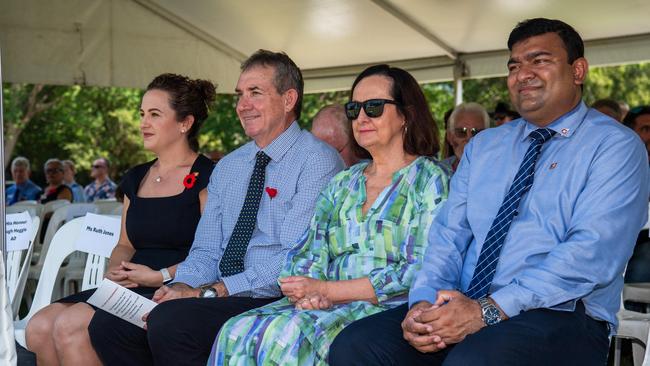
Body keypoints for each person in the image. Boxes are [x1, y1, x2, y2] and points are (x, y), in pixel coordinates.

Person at [330, 18, 649, 366]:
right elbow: (449, 235)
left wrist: (488, 311)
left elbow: (591, 254)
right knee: (356, 344)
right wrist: (421, 303)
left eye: (539, 61)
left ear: (578, 71)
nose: (522, 74)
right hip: (463, 303)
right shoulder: (485, 146)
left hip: (563, 313)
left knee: (472, 360)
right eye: (514, 65)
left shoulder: (615, 146)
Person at [87, 50, 344, 366]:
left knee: (172, 323)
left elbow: (294, 258)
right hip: (220, 293)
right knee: (110, 325)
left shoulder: (317, 161)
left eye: (255, 93)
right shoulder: (230, 167)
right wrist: (182, 285)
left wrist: (211, 291)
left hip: (274, 297)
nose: (242, 105)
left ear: (289, 99)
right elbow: (206, 250)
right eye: (240, 94)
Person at [210, 64, 450, 365]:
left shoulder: (430, 180)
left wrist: (329, 291)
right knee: (235, 330)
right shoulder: (344, 182)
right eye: (354, 109)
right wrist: (309, 290)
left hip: (386, 308)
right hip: (325, 304)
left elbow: (422, 268)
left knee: (285, 339)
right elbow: (308, 248)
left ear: (406, 114)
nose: (361, 118)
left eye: (374, 107)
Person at [24, 73, 217, 365]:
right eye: (142, 114)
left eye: (154, 114)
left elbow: (213, 253)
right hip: (127, 287)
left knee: (70, 325)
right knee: (38, 326)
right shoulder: (136, 177)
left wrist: (161, 275)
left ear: (185, 123)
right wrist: (117, 270)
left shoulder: (209, 177)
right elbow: (125, 244)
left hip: (172, 289)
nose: (143, 123)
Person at [442, 102, 489, 173]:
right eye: (461, 132)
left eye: (476, 133)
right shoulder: (436, 173)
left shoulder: (498, 171)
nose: (469, 139)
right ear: (450, 137)